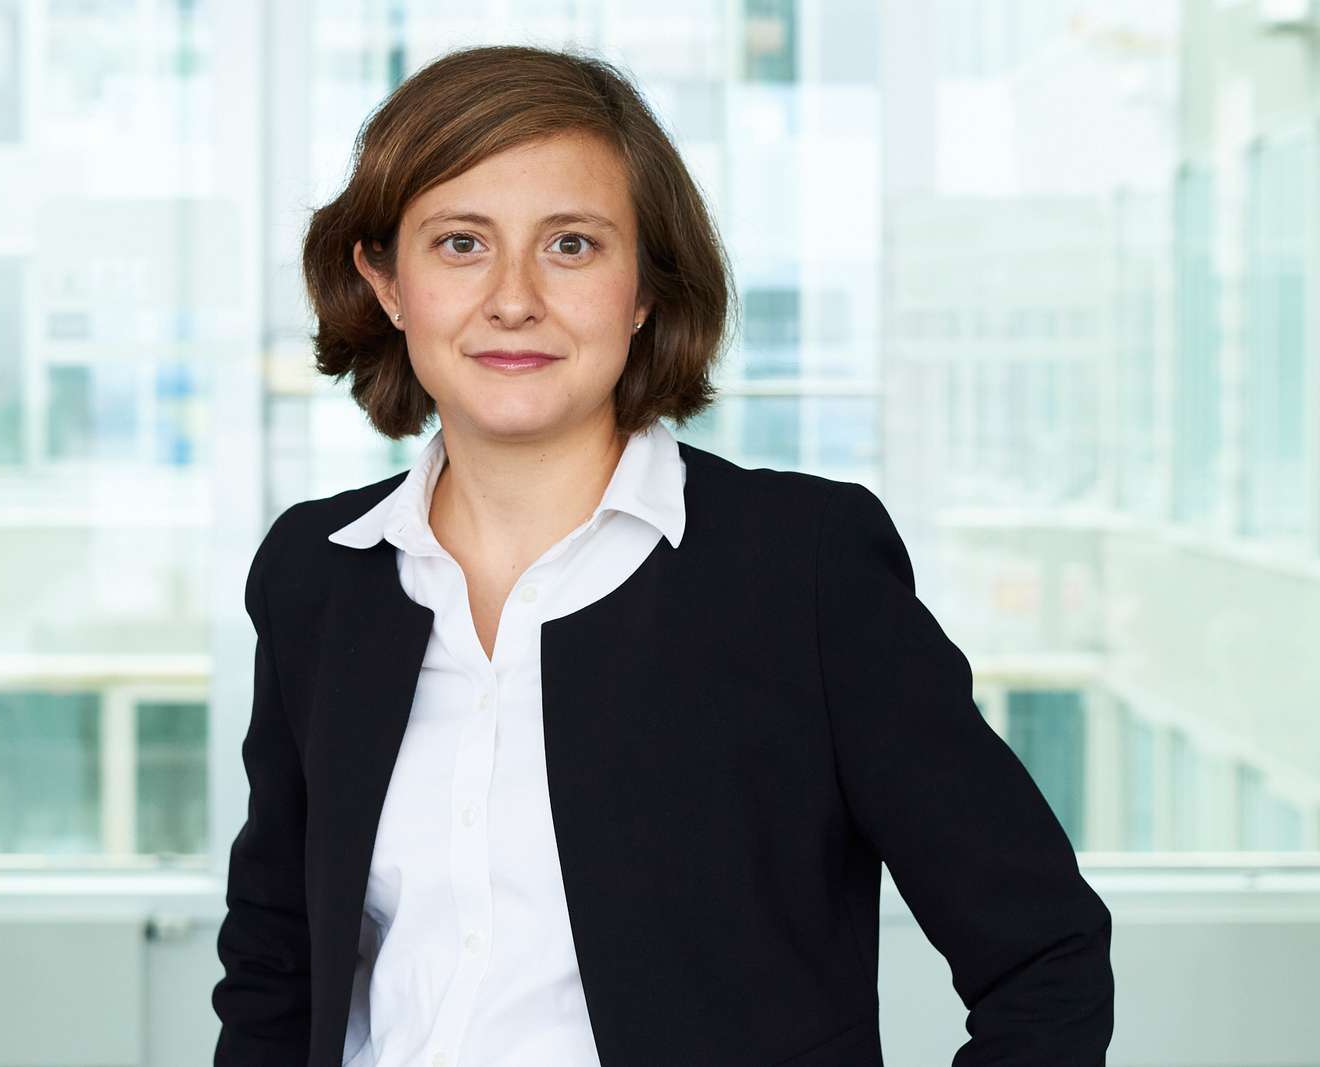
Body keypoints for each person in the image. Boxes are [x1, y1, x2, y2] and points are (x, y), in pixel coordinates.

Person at [212, 43, 1113, 1067]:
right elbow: (275, 961)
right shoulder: (318, 574)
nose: (512, 298)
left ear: (644, 286)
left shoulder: (804, 570)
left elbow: (1045, 956)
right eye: (460, 243)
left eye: (572, 245)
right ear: (385, 282)